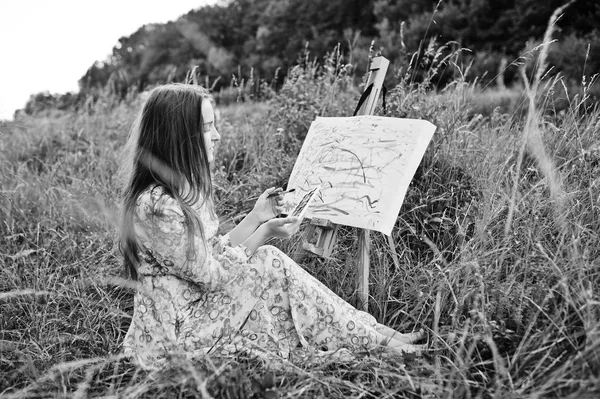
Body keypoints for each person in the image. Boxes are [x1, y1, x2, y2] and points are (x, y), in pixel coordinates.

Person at [119, 83, 424, 368]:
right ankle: (374, 340)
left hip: (199, 310)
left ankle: (373, 334)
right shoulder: (158, 206)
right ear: (178, 137)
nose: (217, 136)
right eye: (206, 128)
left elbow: (212, 252)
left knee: (267, 261)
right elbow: (212, 276)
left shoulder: (184, 190)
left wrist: (256, 217)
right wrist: (264, 233)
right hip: (176, 335)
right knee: (267, 259)